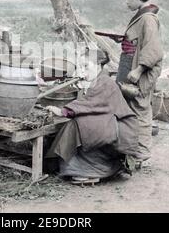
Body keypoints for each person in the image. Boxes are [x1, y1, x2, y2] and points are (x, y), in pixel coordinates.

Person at [45, 48, 139, 185]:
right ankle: (70, 165)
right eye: (80, 67)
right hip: (109, 123)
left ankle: (95, 171)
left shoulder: (105, 82)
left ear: (99, 65)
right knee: (77, 124)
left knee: (77, 125)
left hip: (119, 129)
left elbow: (90, 103)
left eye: (86, 66)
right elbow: (92, 105)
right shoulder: (98, 80)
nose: (82, 71)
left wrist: (63, 111)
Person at [112, 0, 164, 168]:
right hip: (130, 64)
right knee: (130, 108)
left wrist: (139, 69)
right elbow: (137, 41)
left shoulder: (148, 19)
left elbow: (154, 50)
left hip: (138, 69)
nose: (126, 2)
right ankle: (130, 150)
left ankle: (141, 153)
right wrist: (124, 40)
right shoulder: (141, 16)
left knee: (140, 109)